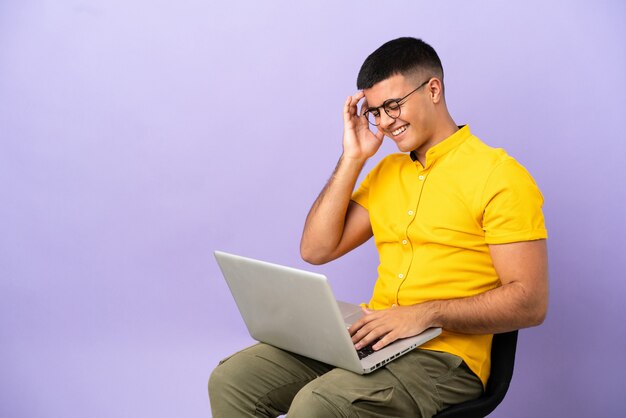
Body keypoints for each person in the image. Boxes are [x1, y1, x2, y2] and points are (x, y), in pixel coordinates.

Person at [209, 37, 548, 418]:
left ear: (433, 89)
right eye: (375, 111)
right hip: (374, 337)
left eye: (393, 105)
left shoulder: (500, 177)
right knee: (233, 379)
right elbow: (316, 250)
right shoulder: (387, 172)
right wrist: (352, 157)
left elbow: (530, 302)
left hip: (444, 359)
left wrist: (424, 313)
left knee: (318, 404)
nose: (385, 122)